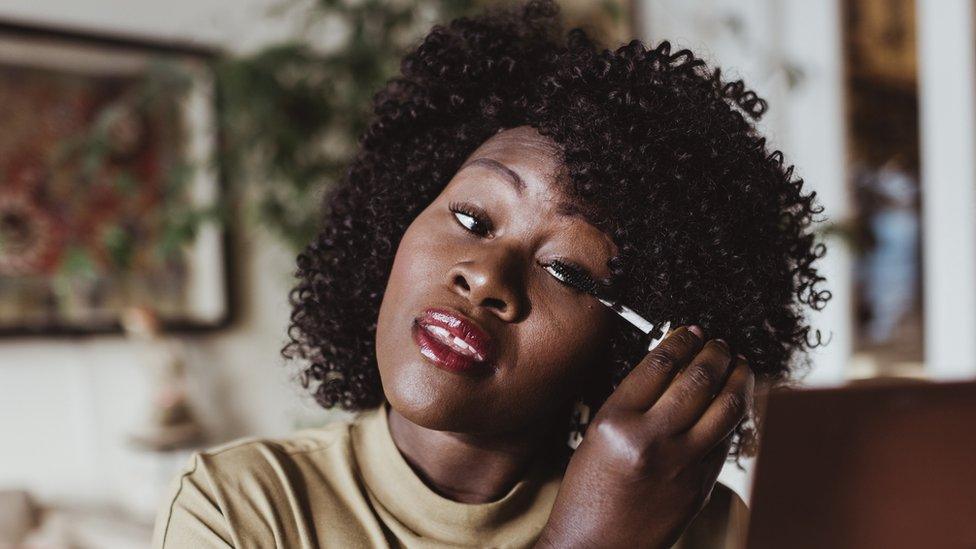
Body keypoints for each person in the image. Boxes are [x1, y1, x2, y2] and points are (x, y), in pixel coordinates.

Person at [151, 1, 829, 547]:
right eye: (473, 219)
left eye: (566, 269)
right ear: (393, 223)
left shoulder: (701, 527)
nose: (486, 277)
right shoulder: (242, 509)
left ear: (638, 348)